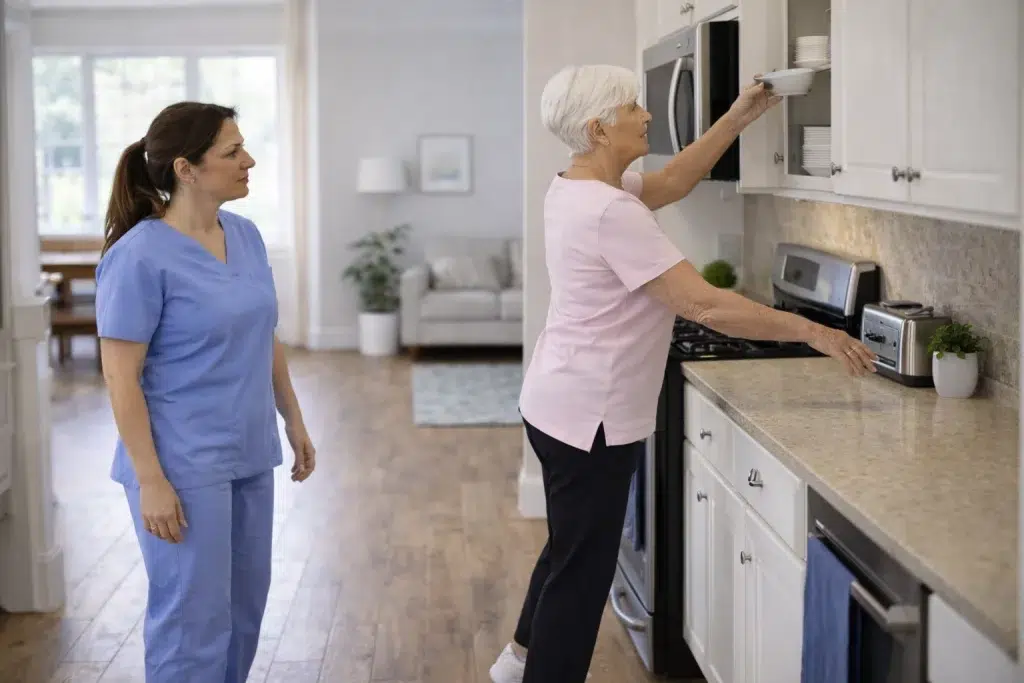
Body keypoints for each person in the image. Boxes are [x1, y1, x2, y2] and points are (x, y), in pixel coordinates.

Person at [489, 65, 877, 683]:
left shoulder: (575, 186)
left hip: (557, 401)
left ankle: (517, 662)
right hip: (592, 416)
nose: (646, 116)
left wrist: (742, 113)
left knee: (570, 548)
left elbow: (672, 179)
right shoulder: (610, 213)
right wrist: (815, 330)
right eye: (633, 109)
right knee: (582, 575)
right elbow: (704, 304)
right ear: (598, 128)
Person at [95, 101, 316, 683]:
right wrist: (150, 481)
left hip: (248, 450)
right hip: (181, 465)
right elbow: (120, 377)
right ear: (186, 169)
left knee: (244, 611)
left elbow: (263, 332)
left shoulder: (244, 235)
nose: (249, 160)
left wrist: (292, 419)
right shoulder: (138, 257)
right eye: (232, 151)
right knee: (192, 620)